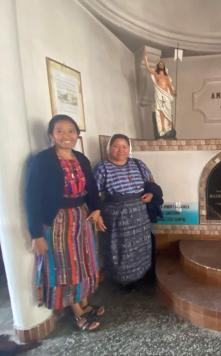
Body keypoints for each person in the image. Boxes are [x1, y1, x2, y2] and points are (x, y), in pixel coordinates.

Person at [26, 114, 107, 332]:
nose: (66, 135)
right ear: (51, 135)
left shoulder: (81, 159)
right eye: (59, 131)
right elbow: (31, 198)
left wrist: (97, 209)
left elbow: (91, 188)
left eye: (71, 131)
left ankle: (84, 302)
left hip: (81, 216)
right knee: (66, 266)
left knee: (84, 261)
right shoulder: (42, 161)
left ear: (77, 135)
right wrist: (36, 234)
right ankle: (78, 313)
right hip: (57, 220)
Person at [93, 134, 155, 287]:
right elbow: (94, 194)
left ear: (129, 149)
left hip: (140, 214)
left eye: (124, 146)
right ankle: (122, 280)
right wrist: (97, 214)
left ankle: (142, 274)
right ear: (109, 148)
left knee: (141, 244)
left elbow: (152, 183)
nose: (120, 150)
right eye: (115, 146)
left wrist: (152, 193)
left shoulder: (138, 164)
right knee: (119, 247)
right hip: (116, 216)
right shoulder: (102, 167)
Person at [143, 50, 176, 139]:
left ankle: (169, 128)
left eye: (162, 64)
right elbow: (148, 68)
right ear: (158, 66)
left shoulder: (167, 77)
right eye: (160, 64)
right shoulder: (156, 74)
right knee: (160, 110)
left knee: (168, 112)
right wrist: (146, 58)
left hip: (166, 95)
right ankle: (162, 128)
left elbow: (170, 87)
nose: (161, 65)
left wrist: (173, 92)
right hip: (159, 94)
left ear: (164, 67)